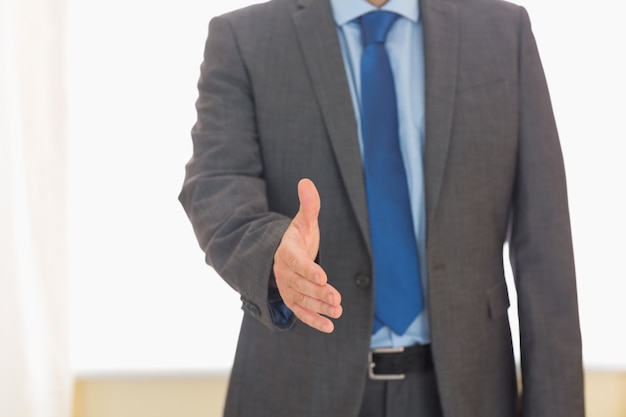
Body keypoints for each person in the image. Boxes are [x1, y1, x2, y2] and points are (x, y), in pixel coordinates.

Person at [179, 0, 585, 415]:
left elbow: (545, 244)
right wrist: (272, 253)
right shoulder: (243, 38)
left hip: (468, 391)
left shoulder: (504, 30)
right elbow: (214, 185)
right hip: (297, 388)